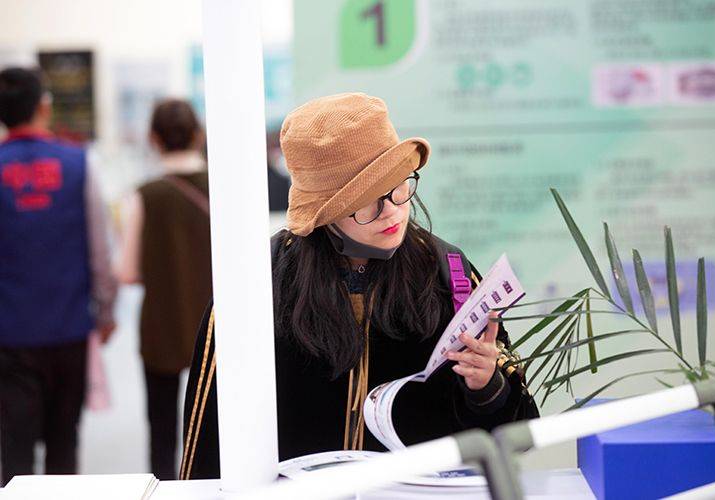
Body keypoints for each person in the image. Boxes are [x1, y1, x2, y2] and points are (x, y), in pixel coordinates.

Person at [179, 93, 538, 479]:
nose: (392, 212)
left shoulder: (448, 274)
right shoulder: (258, 285)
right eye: (365, 202)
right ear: (324, 211)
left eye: (400, 187)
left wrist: (487, 386)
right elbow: (210, 440)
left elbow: (518, 429)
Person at [0, 67, 117, 485]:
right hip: (68, 328)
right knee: (63, 446)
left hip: (9, 336)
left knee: (12, 450)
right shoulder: (77, 163)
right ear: (43, 106)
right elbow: (100, 250)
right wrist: (105, 311)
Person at [115, 98, 212, 480]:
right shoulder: (225, 188)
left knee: (161, 426)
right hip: (216, 325)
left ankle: (164, 487)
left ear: (153, 139)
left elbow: (126, 272)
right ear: (198, 135)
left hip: (161, 326)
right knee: (212, 421)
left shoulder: (143, 194)